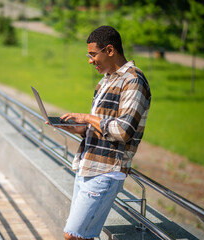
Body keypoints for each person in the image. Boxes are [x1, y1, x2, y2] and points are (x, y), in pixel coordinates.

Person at [56, 26, 151, 240]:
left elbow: (123, 130)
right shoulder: (105, 81)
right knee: (84, 236)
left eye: (92, 54)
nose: (90, 61)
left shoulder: (133, 81)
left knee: (73, 236)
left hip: (106, 171)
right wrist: (77, 128)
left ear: (109, 50)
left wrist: (87, 117)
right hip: (87, 165)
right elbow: (100, 127)